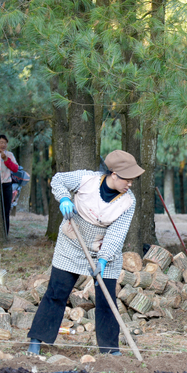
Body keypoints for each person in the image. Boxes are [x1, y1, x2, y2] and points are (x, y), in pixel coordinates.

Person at [27, 150, 145, 355]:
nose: (130, 184)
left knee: (107, 298)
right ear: (114, 174)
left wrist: (103, 260)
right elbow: (58, 180)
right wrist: (64, 198)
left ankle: (110, 350)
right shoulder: (87, 180)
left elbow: (117, 234)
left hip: (104, 248)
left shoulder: (128, 201)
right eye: (127, 179)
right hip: (73, 242)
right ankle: (36, 341)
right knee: (57, 291)